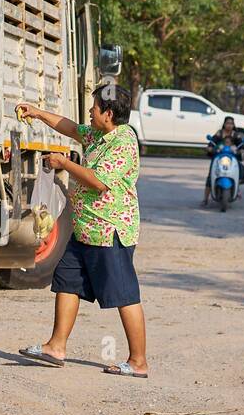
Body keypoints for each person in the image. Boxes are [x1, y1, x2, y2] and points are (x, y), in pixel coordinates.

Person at [15, 84, 149, 379]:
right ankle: (55, 347)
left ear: (109, 114)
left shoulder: (123, 141)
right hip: (86, 228)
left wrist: (64, 163)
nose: (90, 111)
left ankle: (138, 362)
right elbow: (71, 128)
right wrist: (37, 113)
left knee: (124, 294)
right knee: (67, 281)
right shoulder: (99, 135)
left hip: (110, 230)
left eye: (95, 107)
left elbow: (98, 182)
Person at [203, 115, 244, 205]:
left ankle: (237, 188)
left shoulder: (236, 135)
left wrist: (239, 151)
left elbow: (242, 147)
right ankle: (205, 199)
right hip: (219, 157)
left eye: (231, 123)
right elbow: (212, 143)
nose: (229, 125)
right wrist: (210, 148)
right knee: (210, 175)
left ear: (233, 125)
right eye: (227, 123)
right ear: (224, 124)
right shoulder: (219, 133)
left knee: (240, 171)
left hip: (232, 158)